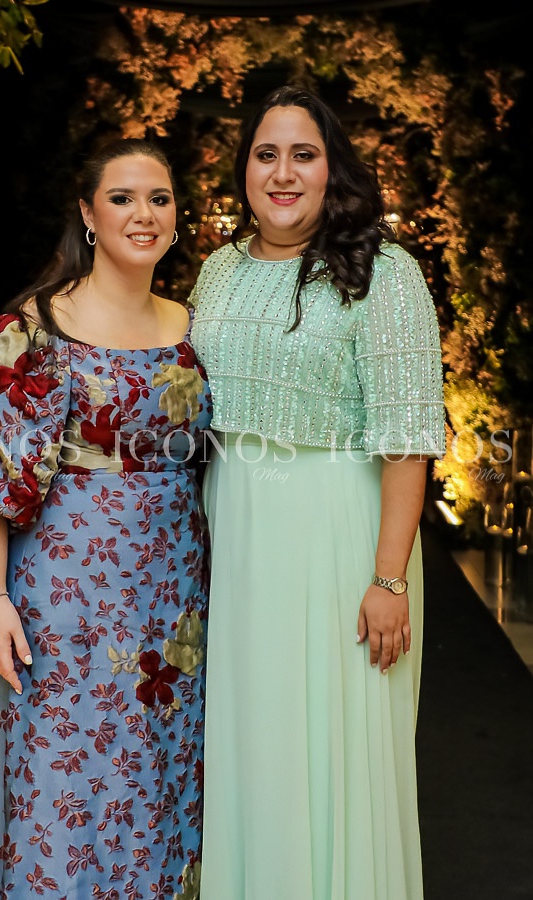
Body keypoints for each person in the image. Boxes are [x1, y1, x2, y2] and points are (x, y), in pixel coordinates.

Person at [0, 138, 212, 898]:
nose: (143, 214)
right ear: (87, 212)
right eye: (122, 198)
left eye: (159, 199)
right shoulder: (33, 328)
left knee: (154, 778)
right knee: (65, 783)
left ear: (177, 215)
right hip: (64, 597)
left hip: (173, 598)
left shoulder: (196, 326)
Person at [189, 85, 446, 899]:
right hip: (237, 531)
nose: (282, 172)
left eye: (302, 154)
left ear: (332, 168)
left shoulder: (384, 272)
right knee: (252, 744)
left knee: (334, 750)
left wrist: (388, 579)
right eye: (265, 154)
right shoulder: (216, 270)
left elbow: (407, 438)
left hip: (336, 535)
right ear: (243, 169)